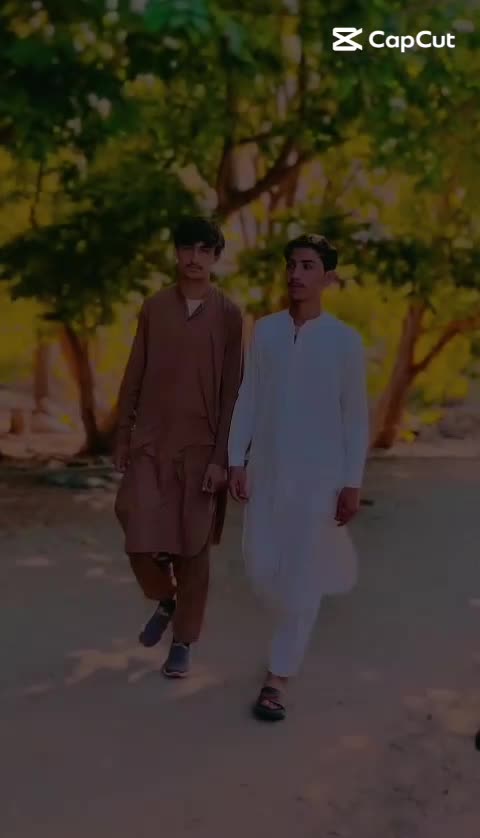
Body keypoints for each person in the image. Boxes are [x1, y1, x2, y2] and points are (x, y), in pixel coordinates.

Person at [228, 233, 369, 721]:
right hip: (267, 472)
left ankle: (278, 677)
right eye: (291, 264)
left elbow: (355, 417)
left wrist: (352, 481)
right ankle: (308, 594)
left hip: (320, 478)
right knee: (261, 564)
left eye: (307, 265)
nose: (296, 274)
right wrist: (236, 458)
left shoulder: (345, 342)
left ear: (328, 277)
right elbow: (248, 396)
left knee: (302, 577)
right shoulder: (265, 332)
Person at [114, 217, 243, 678]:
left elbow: (233, 393)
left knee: (193, 549)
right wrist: (123, 434)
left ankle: (184, 641)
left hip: (201, 449)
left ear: (216, 258)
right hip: (151, 443)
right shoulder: (154, 308)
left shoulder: (228, 315)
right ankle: (166, 598)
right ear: (176, 253)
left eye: (204, 250)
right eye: (187, 248)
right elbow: (134, 372)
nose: (194, 258)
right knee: (135, 527)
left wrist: (222, 459)